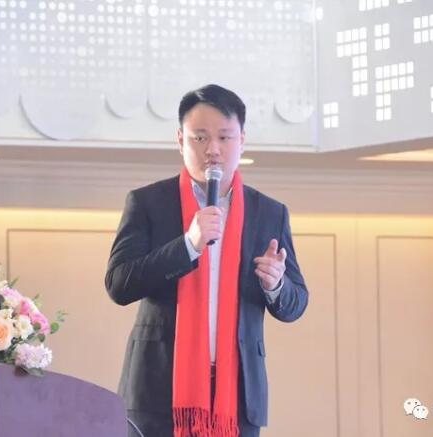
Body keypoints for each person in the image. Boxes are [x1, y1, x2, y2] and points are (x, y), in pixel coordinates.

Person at [105, 84, 308, 437]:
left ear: (242, 140)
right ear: (180, 140)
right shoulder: (148, 203)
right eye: (199, 138)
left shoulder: (269, 212)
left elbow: (296, 303)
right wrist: (188, 245)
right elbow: (119, 284)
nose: (212, 150)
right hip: (159, 391)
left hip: (238, 394)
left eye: (224, 137)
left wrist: (276, 284)